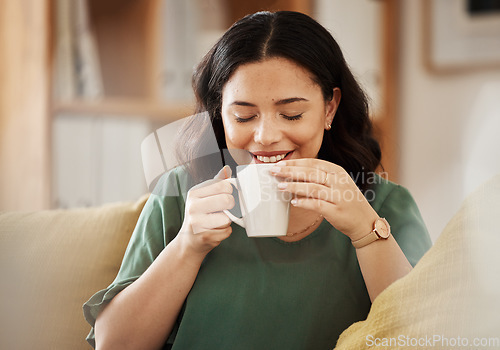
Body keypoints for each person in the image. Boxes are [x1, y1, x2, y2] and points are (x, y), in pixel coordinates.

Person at [83, 11, 432, 350]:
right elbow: (113, 345)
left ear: (329, 108)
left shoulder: (384, 205)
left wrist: (365, 232)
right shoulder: (180, 193)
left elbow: (426, 340)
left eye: (291, 114)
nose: (265, 136)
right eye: (244, 116)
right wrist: (187, 246)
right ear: (220, 113)